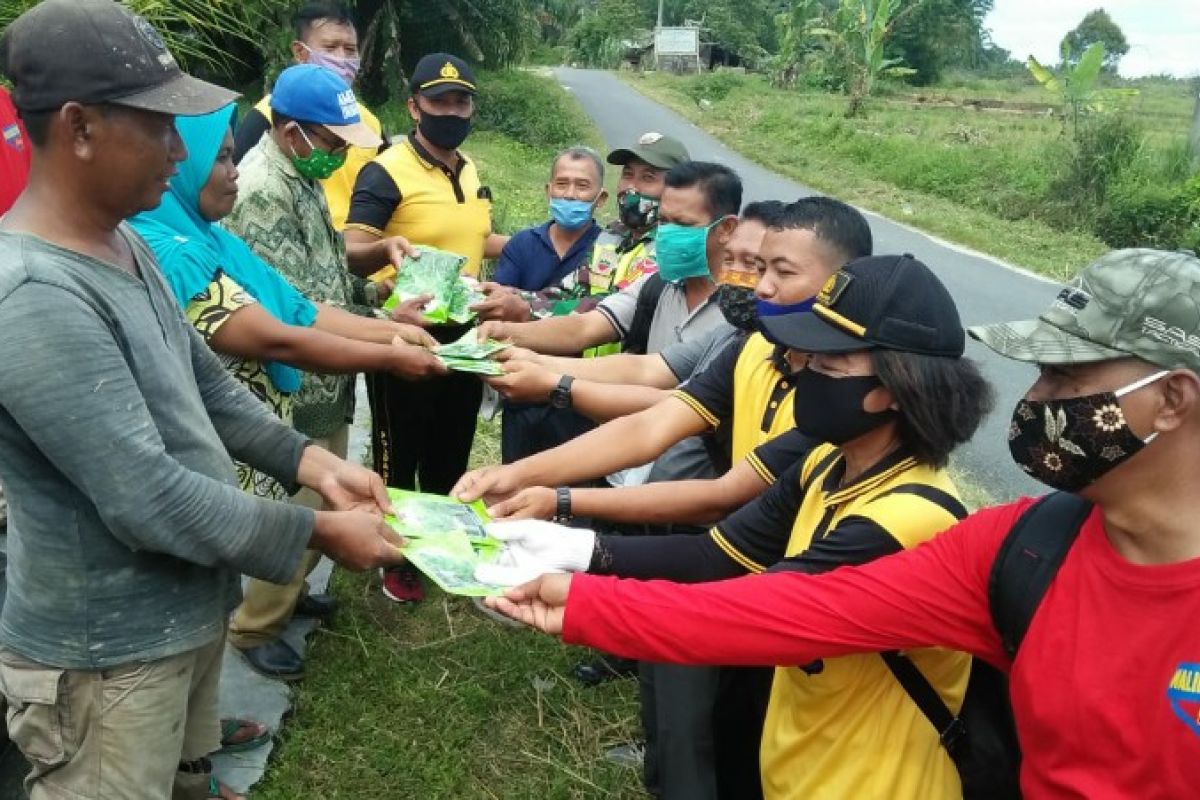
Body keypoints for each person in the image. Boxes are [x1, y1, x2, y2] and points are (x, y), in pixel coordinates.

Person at [0, 2, 407, 798]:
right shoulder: (33, 293)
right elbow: (145, 497)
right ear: (80, 129)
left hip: (182, 617)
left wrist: (312, 461)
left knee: (190, 781)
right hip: (106, 657)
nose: (177, 149)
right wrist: (320, 529)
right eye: (159, 126)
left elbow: (205, 382)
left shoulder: (123, 241)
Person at [487, 254, 996, 799]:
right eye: (807, 357)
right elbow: (716, 558)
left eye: (829, 365)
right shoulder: (826, 465)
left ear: (898, 385)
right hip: (799, 766)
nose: (804, 372)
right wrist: (574, 547)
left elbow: (751, 616)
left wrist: (582, 604)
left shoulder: (909, 520)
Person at [456, 197, 875, 528]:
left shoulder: (846, 389)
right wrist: (520, 473)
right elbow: (653, 409)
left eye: (776, 270)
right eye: (750, 264)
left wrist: (559, 495)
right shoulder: (751, 346)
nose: (759, 286)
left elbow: (723, 495)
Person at [223, 63, 408, 679]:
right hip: (293, 376)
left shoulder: (300, 175)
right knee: (295, 494)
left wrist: (380, 299)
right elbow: (292, 308)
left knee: (324, 487)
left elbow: (328, 272)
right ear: (293, 130)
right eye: (331, 144)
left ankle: (294, 593)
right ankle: (256, 626)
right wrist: (385, 340)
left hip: (327, 371)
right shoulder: (260, 191)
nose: (335, 156)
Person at [344, 52, 507, 603]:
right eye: (440, 101)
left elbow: (474, 239)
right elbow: (350, 250)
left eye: (462, 101)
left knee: (452, 441)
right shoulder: (386, 170)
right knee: (401, 447)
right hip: (406, 332)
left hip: (465, 331)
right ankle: (393, 552)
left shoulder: (470, 168)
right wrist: (385, 254)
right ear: (415, 106)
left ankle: (437, 541)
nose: (453, 111)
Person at [232, 2, 381, 232]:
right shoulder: (267, 119)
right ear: (301, 53)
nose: (342, 60)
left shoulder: (366, 123)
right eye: (330, 48)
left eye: (350, 50)